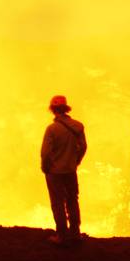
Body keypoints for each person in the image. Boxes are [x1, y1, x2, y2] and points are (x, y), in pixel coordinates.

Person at [40, 95, 87, 246]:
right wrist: (76, 161)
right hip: (70, 171)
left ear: (53, 110)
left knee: (58, 203)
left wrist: (45, 167)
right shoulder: (78, 126)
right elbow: (83, 147)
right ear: (66, 108)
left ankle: (62, 236)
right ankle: (75, 233)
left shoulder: (52, 129)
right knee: (72, 200)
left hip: (55, 173)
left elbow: (46, 153)